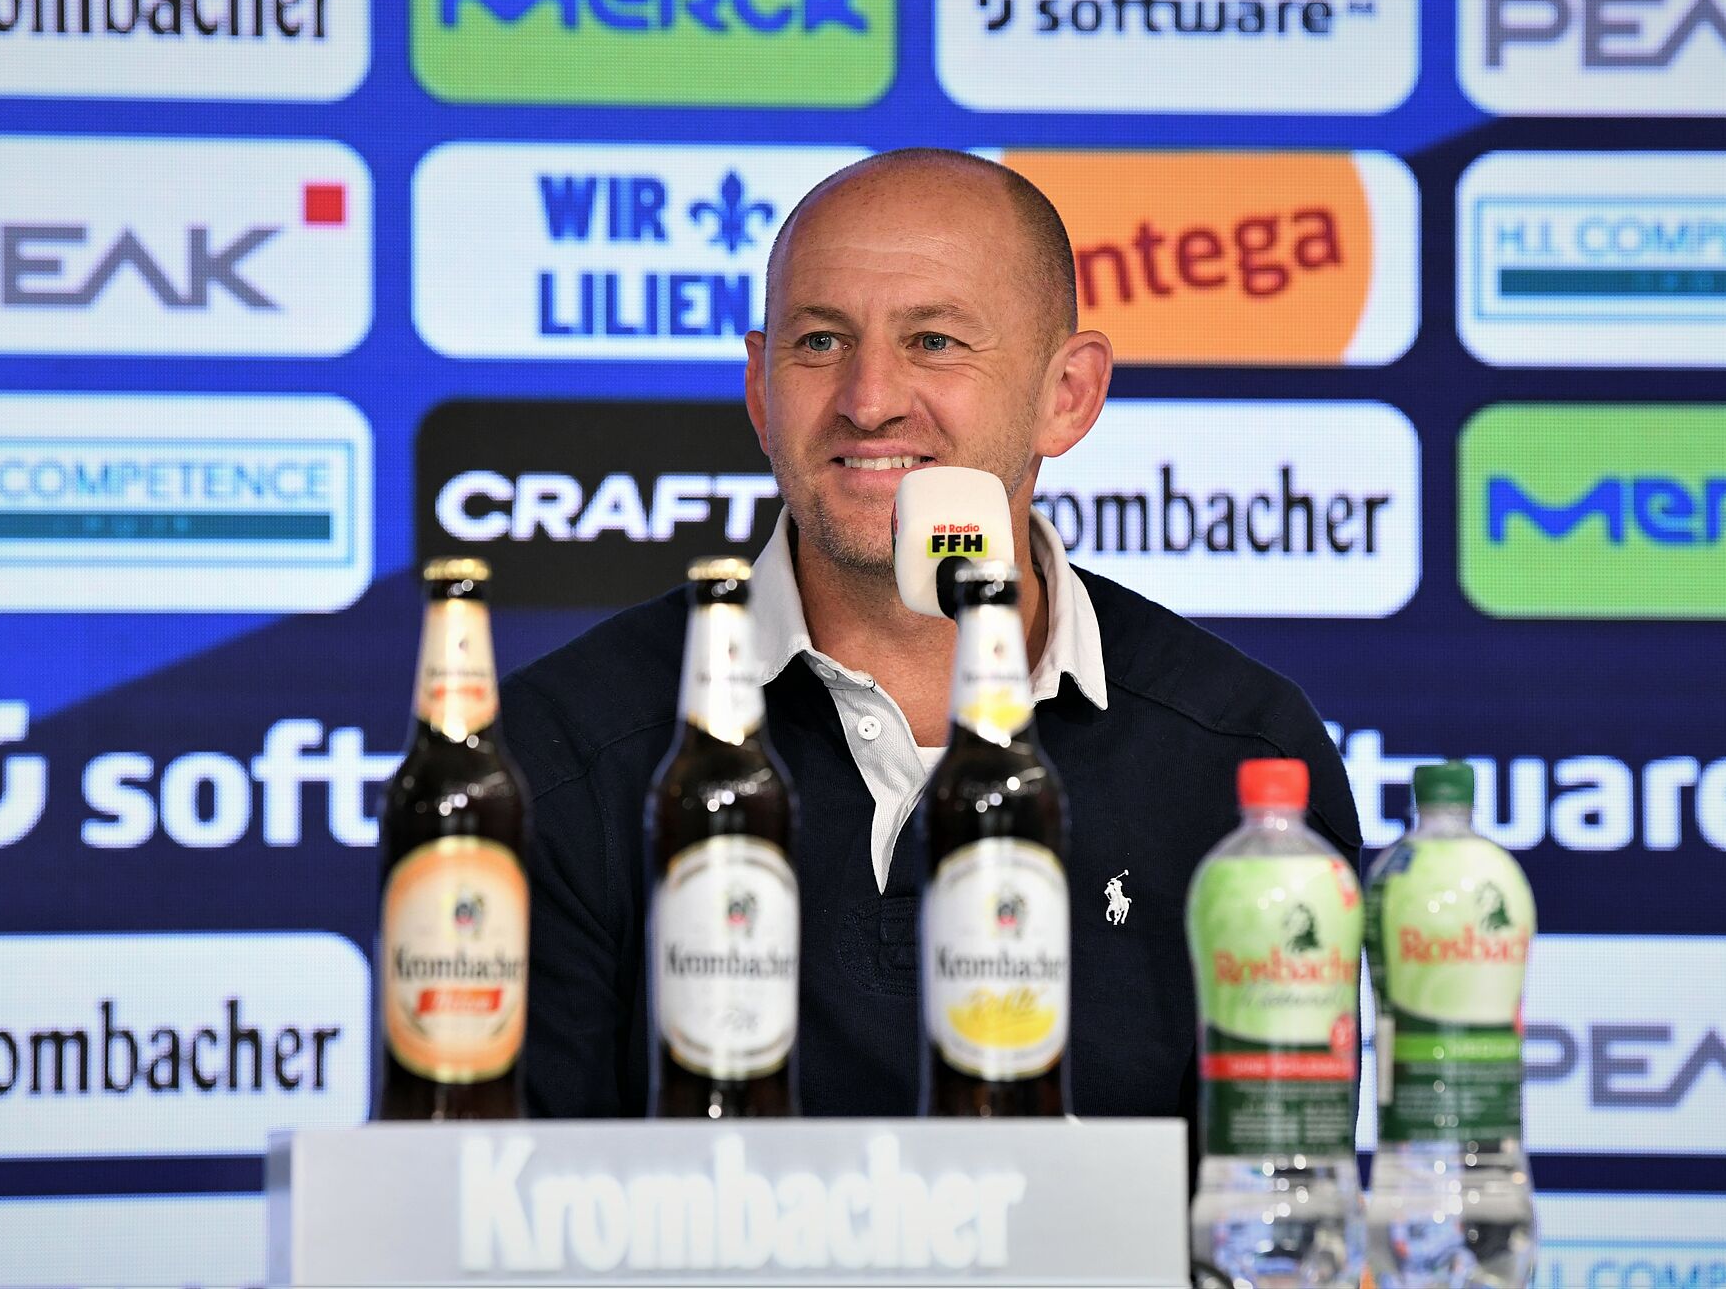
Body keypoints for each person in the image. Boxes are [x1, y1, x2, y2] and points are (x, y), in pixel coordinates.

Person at [501, 148, 1362, 1118]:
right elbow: (501, 1191)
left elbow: (1279, 1194)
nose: (869, 400)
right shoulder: (558, 749)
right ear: (761, 393)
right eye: (820, 342)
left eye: (935, 342)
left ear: (1068, 395)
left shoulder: (1242, 760)